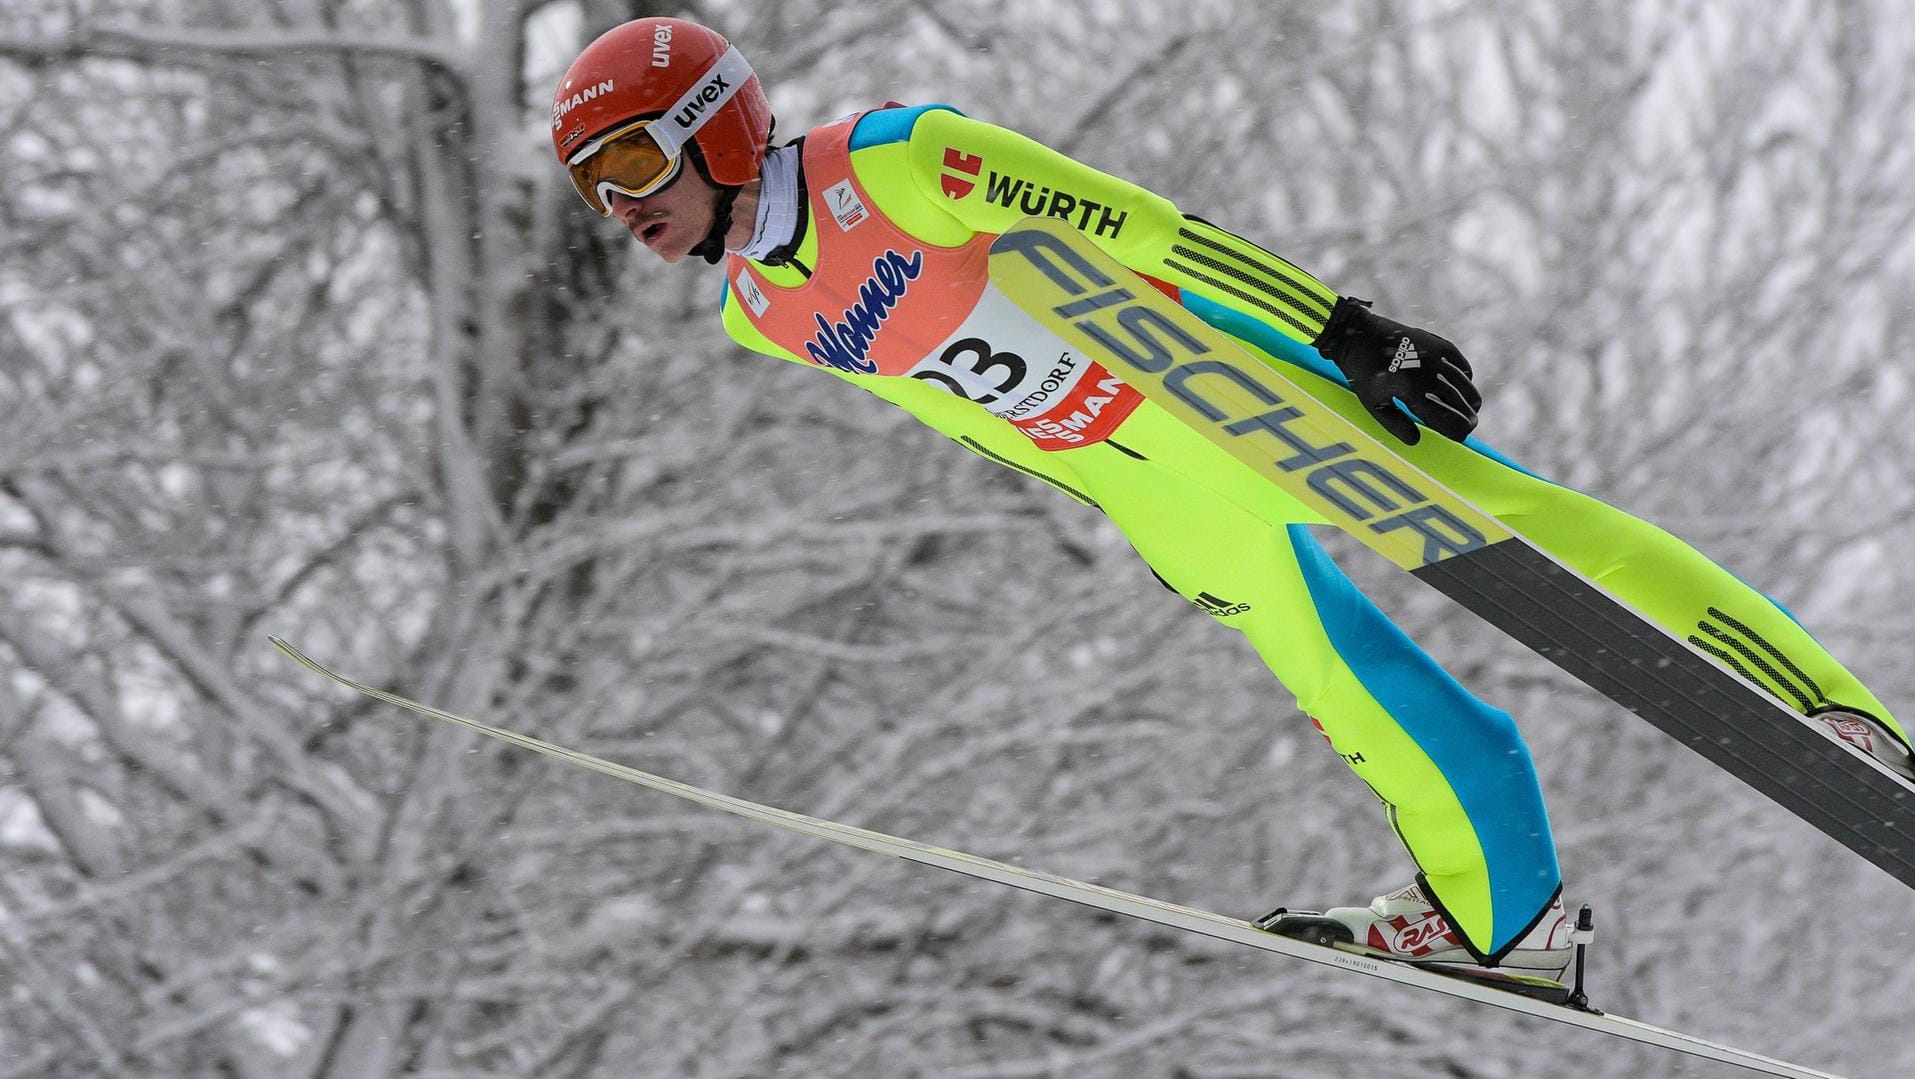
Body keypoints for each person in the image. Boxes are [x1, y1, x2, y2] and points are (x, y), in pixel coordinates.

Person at [549, 17, 1913, 980]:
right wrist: (1124, 508)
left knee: (1529, 525)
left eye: (627, 168)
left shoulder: (895, 160)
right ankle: (1505, 917)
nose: (616, 208)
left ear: (711, 129)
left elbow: (1139, 226)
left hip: (1212, 387)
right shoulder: (757, 313)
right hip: (1143, 479)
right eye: (588, 187)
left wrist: (1346, 328)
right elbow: (964, 401)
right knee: (1336, 676)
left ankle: (1841, 722)